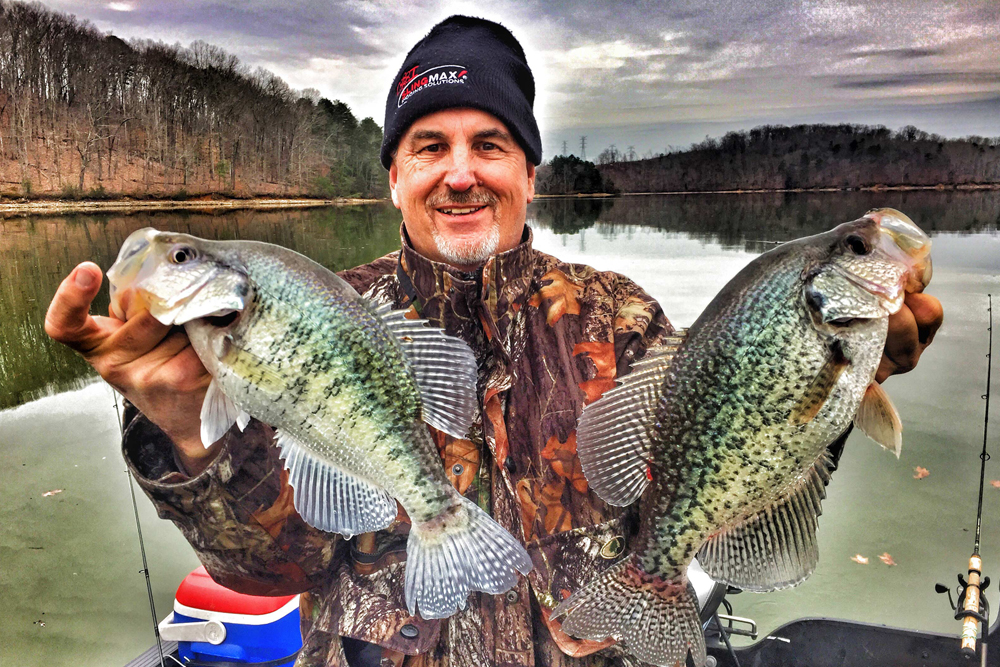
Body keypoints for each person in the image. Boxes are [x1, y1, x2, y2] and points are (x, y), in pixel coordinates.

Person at [45, 16, 943, 667]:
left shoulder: (625, 318)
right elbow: (276, 566)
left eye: (490, 143)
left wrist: (823, 407)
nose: (460, 173)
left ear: (529, 173)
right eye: (429, 146)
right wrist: (187, 432)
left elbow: (722, 490)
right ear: (395, 176)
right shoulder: (323, 314)